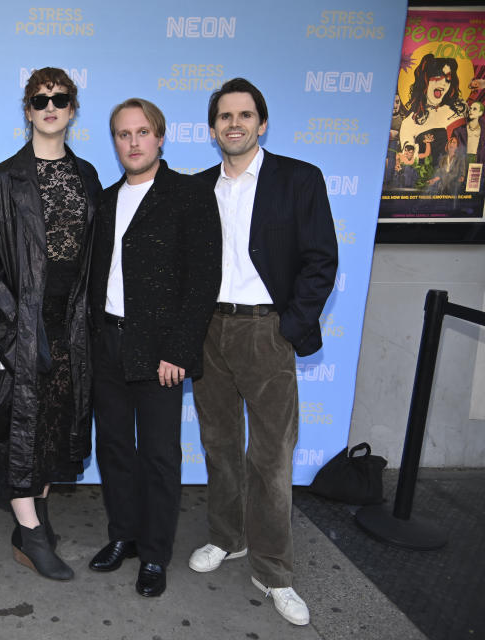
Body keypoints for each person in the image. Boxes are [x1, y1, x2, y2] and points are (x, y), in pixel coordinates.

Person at [189, 78, 338, 626]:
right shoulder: (198, 187)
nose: (235, 124)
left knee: (272, 457)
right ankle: (227, 539)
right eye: (225, 116)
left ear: (262, 122)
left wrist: (287, 326)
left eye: (245, 114)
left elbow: (322, 260)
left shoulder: (298, 179)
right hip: (210, 331)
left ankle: (274, 570)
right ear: (211, 129)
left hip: (265, 333)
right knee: (219, 444)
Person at [0, 67, 101, 581]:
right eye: (41, 99)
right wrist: (11, 323)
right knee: (22, 426)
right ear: (28, 110)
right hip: (24, 322)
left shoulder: (86, 175)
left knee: (55, 423)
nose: (50, 106)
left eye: (60, 99)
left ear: (72, 110)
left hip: (73, 321)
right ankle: (32, 531)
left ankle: (31, 522)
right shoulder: (3, 179)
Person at [87, 98, 221, 598]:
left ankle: (156, 555)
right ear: (115, 141)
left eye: (143, 132)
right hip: (108, 344)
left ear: (160, 137)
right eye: (124, 134)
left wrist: (180, 350)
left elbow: (203, 279)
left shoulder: (188, 195)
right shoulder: (104, 201)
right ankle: (123, 535)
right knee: (116, 450)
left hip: (162, 353)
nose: (134, 142)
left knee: (160, 456)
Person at [399, 54, 467, 167]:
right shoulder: (410, 122)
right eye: (438, 77)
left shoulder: (458, 110)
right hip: (427, 179)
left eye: (448, 79)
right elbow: (408, 160)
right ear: (425, 80)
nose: (444, 83)